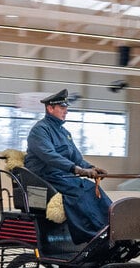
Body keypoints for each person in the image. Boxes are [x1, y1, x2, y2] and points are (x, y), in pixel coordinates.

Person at [24, 89, 112, 243]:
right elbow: (50, 156)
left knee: (91, 188)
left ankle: (112, 224)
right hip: (46, 178)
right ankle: (94, 233)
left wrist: (91, 167)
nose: (66, 111)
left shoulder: (64, 133)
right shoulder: (40, 130)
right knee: (80, 191)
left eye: (66, 108)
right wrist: (77, 169)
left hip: (63, 176)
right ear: (50, 108)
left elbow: (76, 157)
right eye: (62, 108)